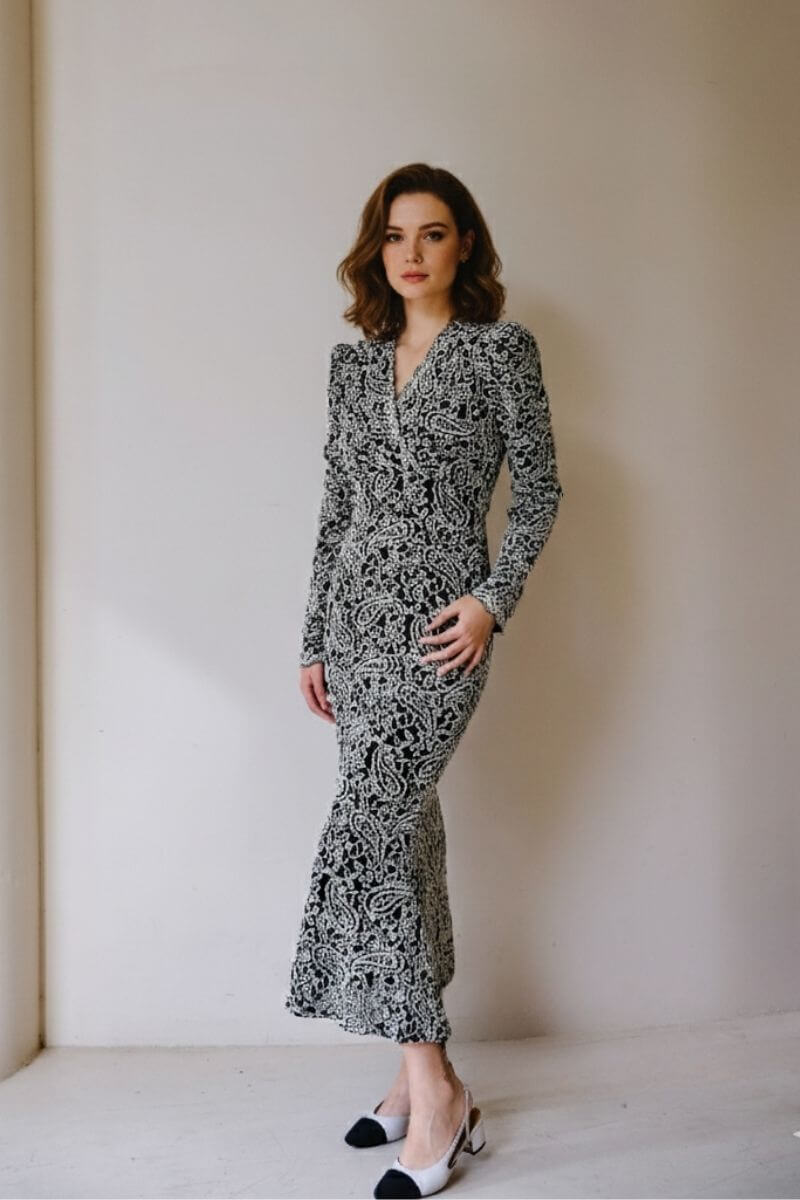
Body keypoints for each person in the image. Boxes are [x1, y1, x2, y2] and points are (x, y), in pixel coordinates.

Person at [285, 162, 564, 1198]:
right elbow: (337, 510)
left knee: (371, 825)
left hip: (442, 633)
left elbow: (539, 488)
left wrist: (492, 600)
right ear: (377, 249)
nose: (411, 253)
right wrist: (312, 640)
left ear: (463, 245)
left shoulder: (499, 350)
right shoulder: (351, 368)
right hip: (354, 631)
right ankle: (414, 1080)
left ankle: (437, 1087)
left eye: (432, 233)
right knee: (405, 831)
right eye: (395, 235)